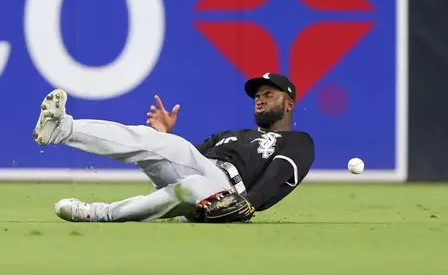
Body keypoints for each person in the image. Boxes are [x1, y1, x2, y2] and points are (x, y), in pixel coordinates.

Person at [33, 72, 315, 223]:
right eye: (257, 95)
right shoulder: (230, 134)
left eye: (269, 94)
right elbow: (186, 157)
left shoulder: (299, 141)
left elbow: (278, 175)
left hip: (228, 196)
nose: (260, 99)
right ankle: (61, 129)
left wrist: (249, 203)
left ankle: (97, 213)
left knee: (191, 187)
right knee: (151, 141)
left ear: (289, 104)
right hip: (206, 176)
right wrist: (168, 135)